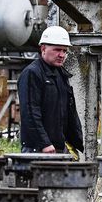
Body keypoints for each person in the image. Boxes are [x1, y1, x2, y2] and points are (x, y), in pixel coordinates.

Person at [18, 25, 83, 154]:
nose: (62, 55)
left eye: (65, 51)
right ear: (43, 49)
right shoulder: (32, 73)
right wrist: (44, 143)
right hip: (38, 150)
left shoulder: (60, 74)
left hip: (58, 147)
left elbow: (69, 112)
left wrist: (76, 142)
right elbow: (30, 112)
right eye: (57, 50)